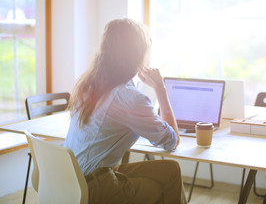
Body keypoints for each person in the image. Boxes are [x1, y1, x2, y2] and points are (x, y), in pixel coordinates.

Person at [64, 18, 186, 204]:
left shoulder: (89, 84)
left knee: (171, 169)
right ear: (138, 55)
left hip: (72, 181)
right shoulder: (130, 98)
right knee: (162, 186)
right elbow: (172, 141)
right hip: (95, 188)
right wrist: (160, 89)